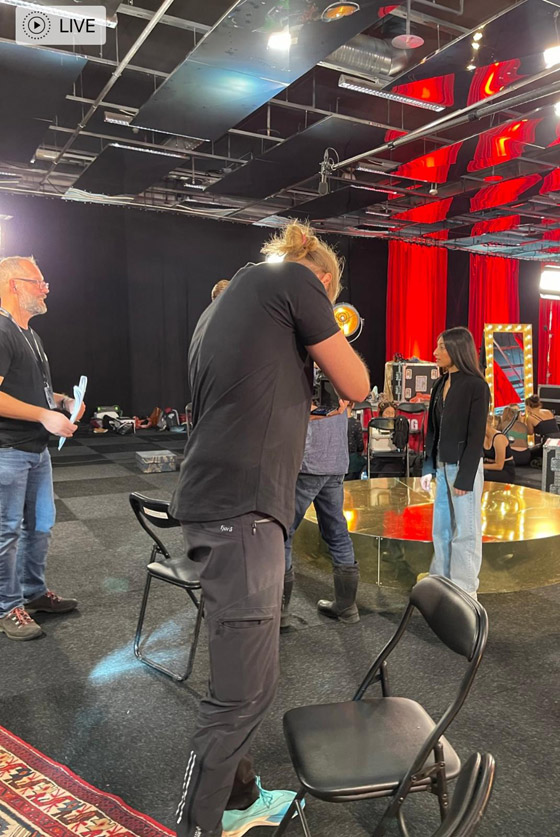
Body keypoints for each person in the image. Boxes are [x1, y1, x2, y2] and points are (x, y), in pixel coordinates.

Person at [170, 221, 369, 837]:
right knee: (242, 695)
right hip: (242, 512)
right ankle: (200, 824)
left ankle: (239, 797)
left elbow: (251, 397)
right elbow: (358, 384)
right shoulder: (296, 281)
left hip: (216, 504)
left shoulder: (226, 302)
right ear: (326, 281)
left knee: (238, 677)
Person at [0, 256, 83, 641]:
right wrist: (42, 416)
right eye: (38, 282)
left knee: (40, 526)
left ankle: (33, 593)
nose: (45, 288)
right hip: (7, 450)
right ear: (13, 285)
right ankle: (7, 606)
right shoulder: (1, 331)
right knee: (7, 533)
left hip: (36, 451)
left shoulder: (31, 335)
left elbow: (37, 392)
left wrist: (63, 402)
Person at [420, 327, 489, 597]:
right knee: (441, 529)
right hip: (441, 465)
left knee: (466, 532)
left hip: (463, 468)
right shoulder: (440, 384)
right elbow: (433, 431)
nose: (435, 352)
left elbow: (476, 436)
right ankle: (440, 581)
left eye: (441, 347)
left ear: (457, 349)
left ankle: (465, 591)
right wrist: (428, 466)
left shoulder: (476, 386)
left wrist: (465, 477)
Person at [282, 399, 360, 630]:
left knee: (283, 533)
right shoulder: (343, 381)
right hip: (335, 462)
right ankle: (347, 608)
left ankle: (279, 611)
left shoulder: (305, 379)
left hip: (308, 463)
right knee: (338, 534)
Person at [483, 416, 516, 483]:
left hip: (504, 470)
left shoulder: (498, 438)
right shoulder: (483, 437)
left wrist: (479, 466)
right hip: (489, 466)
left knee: (480, 475)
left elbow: (499, 466)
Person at [346, 403, 365, 480]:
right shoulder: (356, 423)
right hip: (352, 460)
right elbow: (360, 446)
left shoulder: (334, 422)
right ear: (353, 405)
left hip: (336, 459)